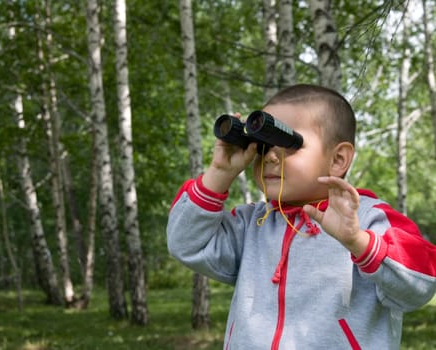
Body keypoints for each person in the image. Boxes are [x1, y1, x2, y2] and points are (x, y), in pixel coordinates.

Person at [167, 83, 436, 350]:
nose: (271, 157)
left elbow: (418, 287)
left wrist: (358, 242)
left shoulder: (367, 219)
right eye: (261, 146)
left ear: (338, 159)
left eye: (287, 143)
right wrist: (219, 173)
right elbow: (187, 243)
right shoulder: (251, 225)